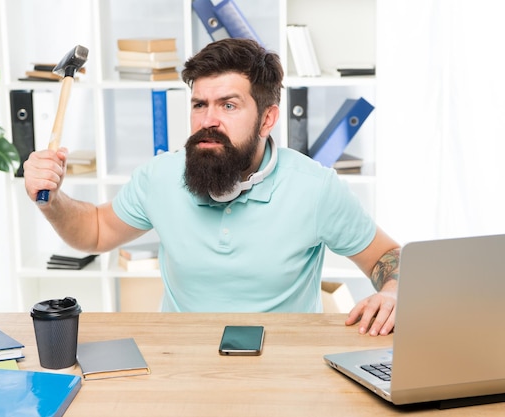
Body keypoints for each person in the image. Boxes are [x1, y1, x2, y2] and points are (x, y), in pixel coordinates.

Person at [23, 38, 399, 336]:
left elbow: (387, 257)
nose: (209, 120)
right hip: (181, 363)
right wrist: (52, 200)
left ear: (267, 118)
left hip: (285, 369)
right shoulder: (160, 177)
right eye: (200, 105)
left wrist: (393, 291)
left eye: (229, 106)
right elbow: (96, 231)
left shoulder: (315, 188)